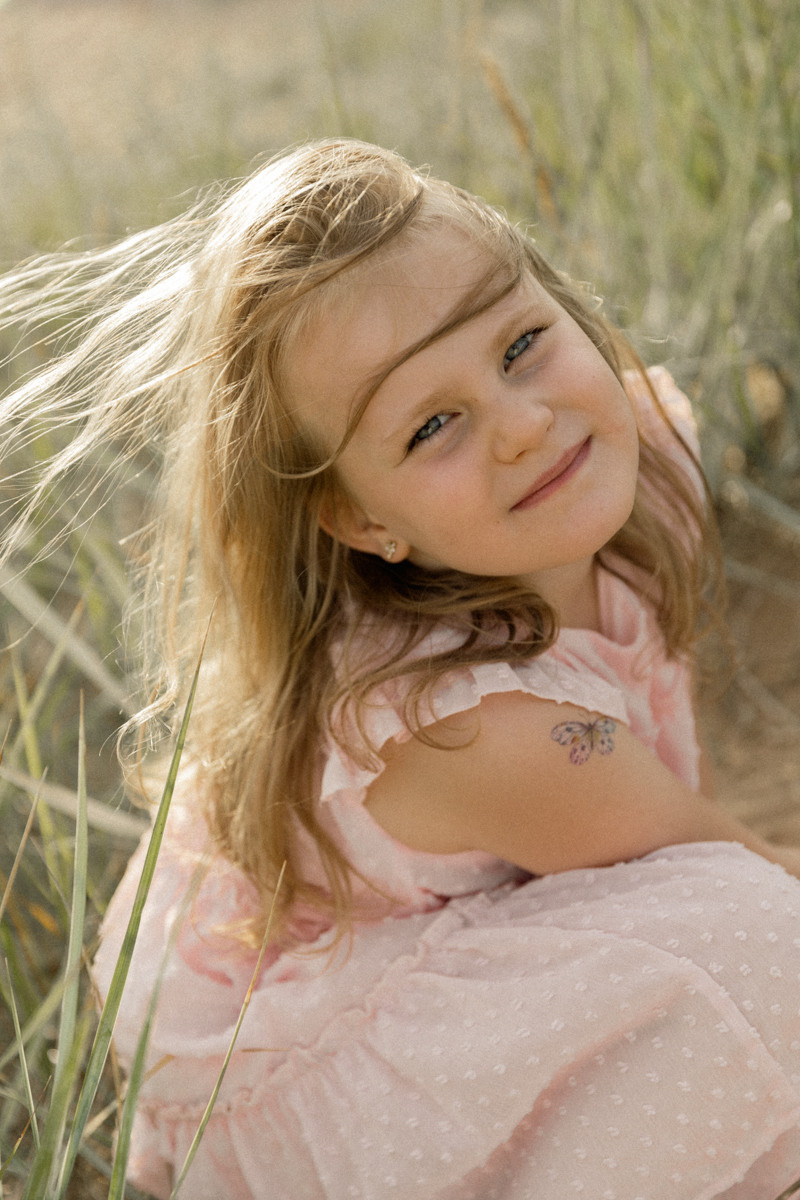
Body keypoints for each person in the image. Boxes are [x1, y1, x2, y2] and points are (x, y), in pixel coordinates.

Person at [4, 139, 800, 1198]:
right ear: (359, 519)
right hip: (315, 1070)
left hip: (494, 874)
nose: (523, 424)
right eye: (433, 425)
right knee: (752, 939)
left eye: (520, 344)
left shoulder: (630, 457)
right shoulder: (480, 730)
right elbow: (715, 865)